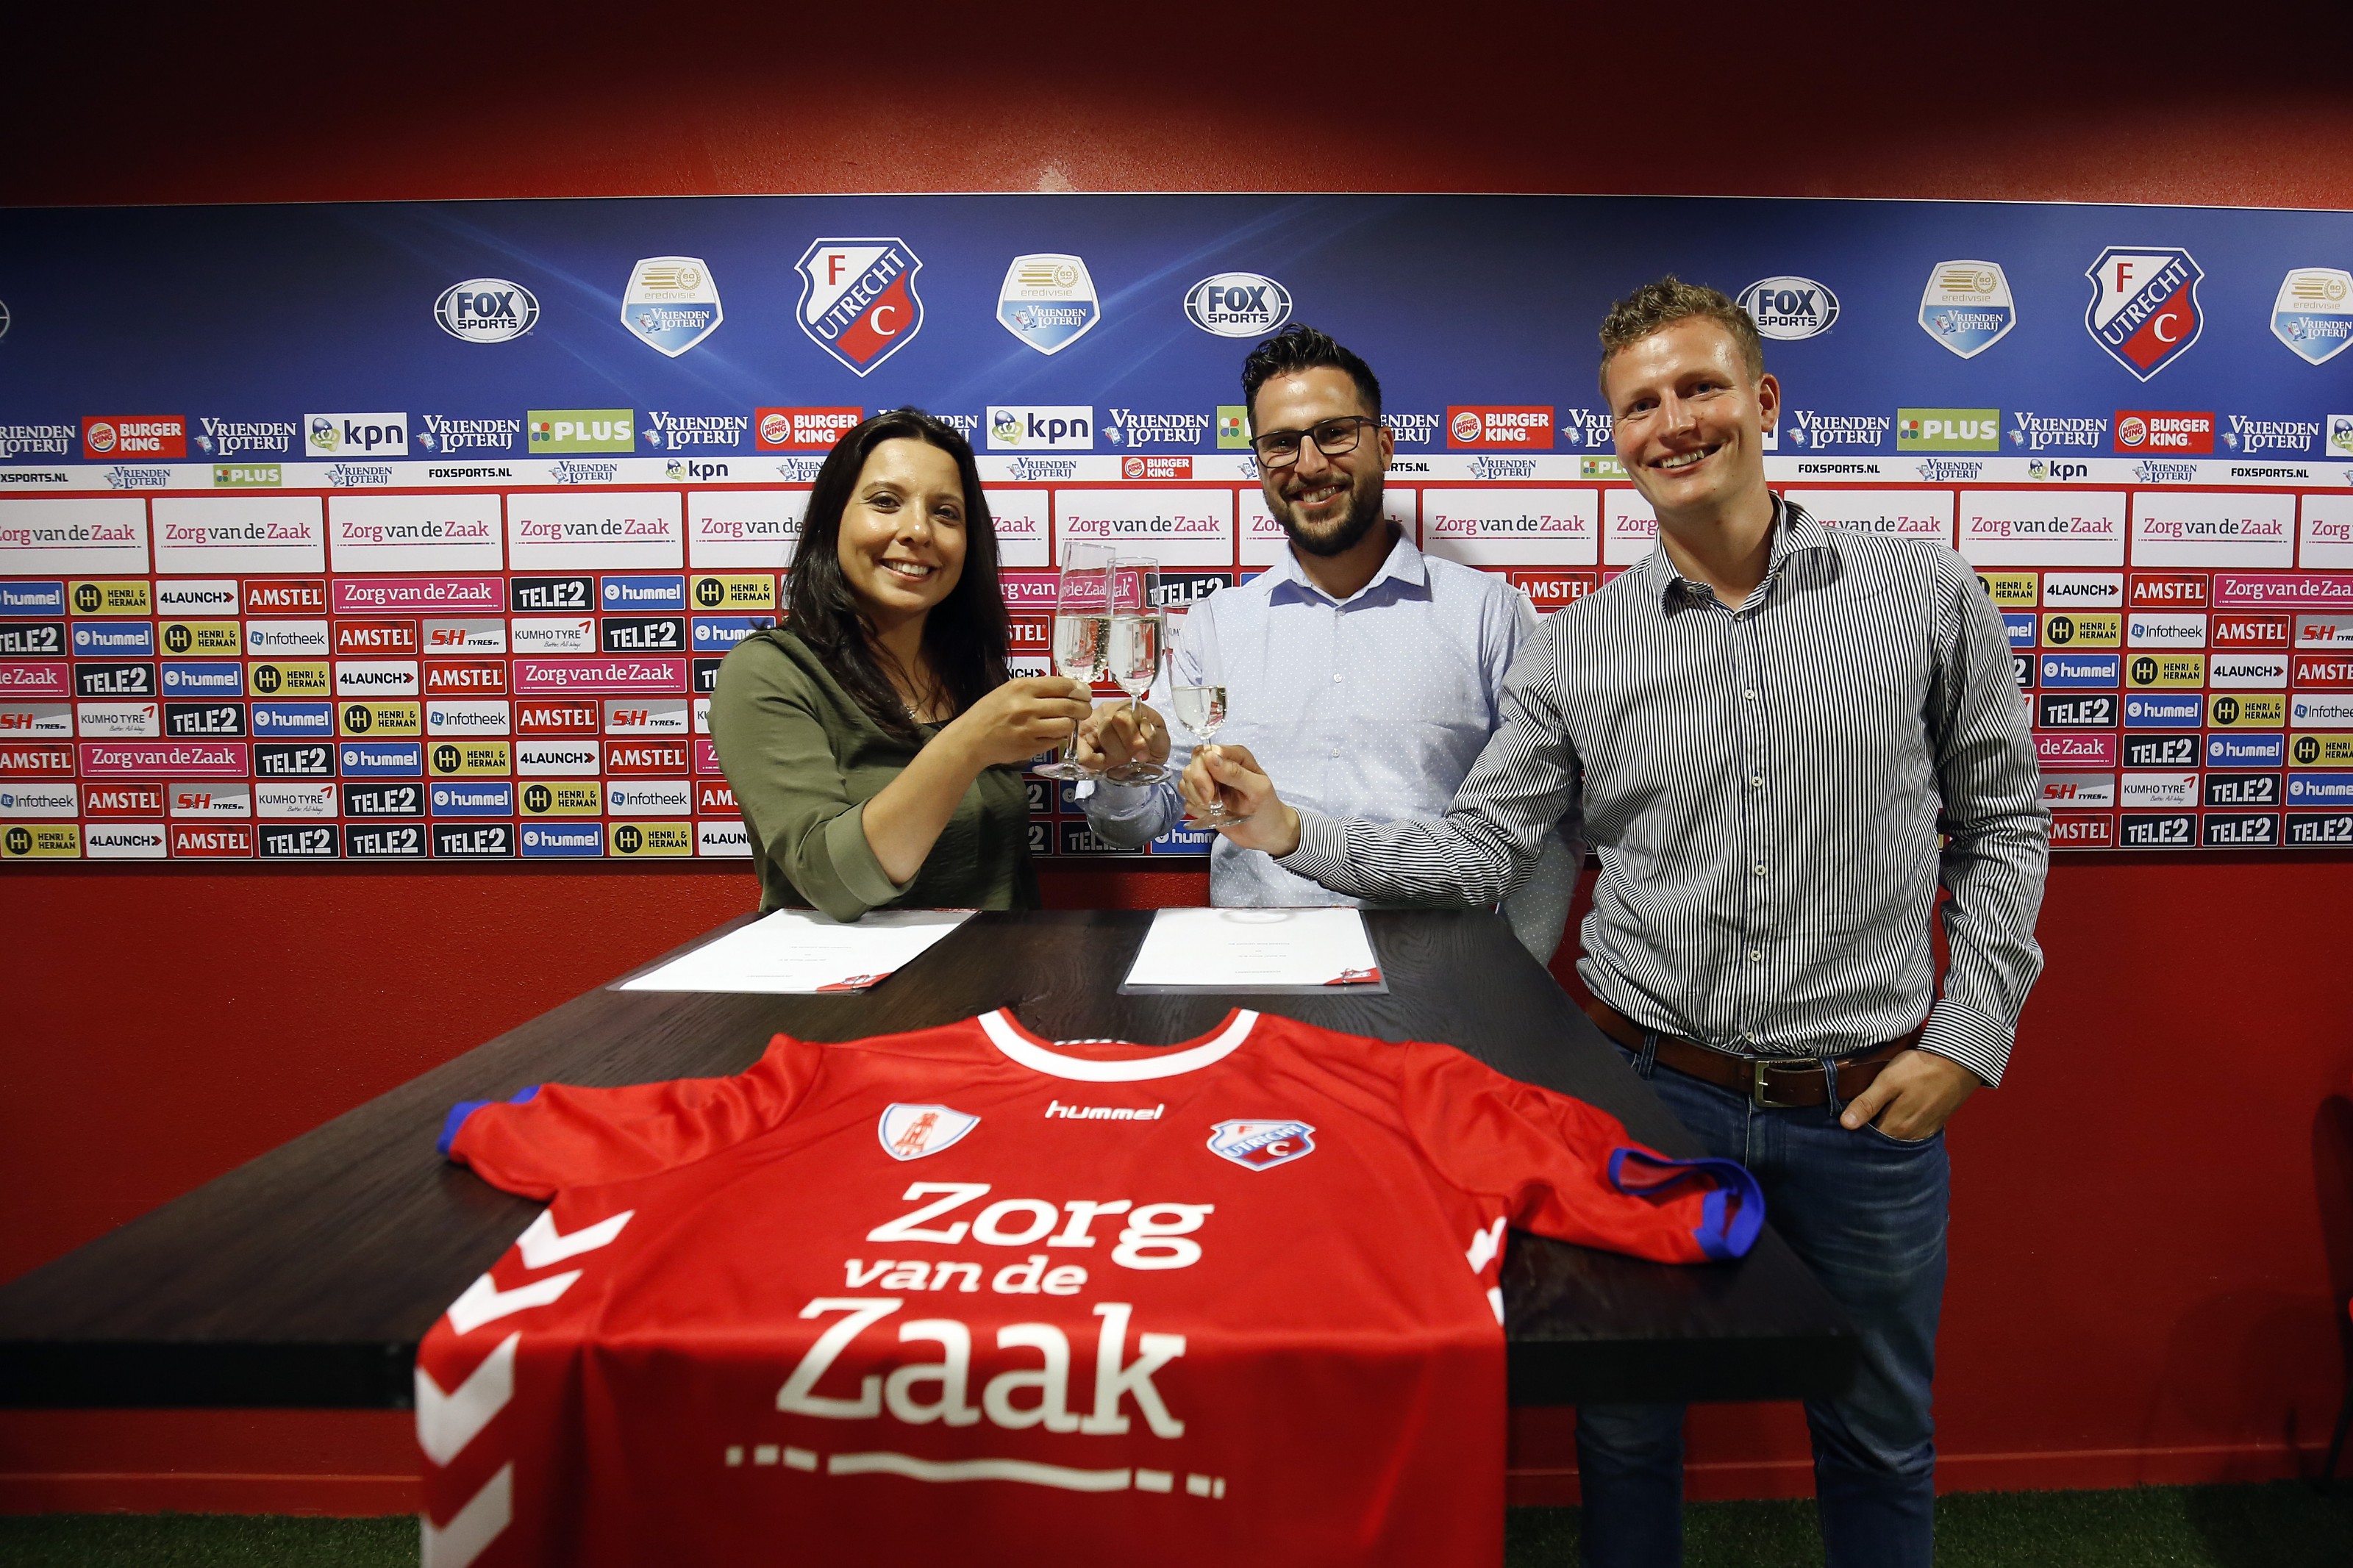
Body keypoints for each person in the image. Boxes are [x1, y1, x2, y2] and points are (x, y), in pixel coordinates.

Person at [1184, 280, 2051, 1567]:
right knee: (1628, 1433)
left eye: (1700, 388)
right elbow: (1481, 848)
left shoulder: (1921, 596)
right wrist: (1290, 828)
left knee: (1877, 1433)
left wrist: (1970, 1033)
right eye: (1642, 403)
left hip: (1867, 1103)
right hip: (1650, 1095)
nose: (1674, 421)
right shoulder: (1574, 648)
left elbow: (2006, 824)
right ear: (1617, 436)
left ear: (1762, 400)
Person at [1076, 324, 1575, 959]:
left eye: (1335, 433)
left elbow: (1548, 828)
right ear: (1259, 464)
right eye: (1281, 444)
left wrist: (1514, 981)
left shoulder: (1489, 615)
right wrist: (1121, 769)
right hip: (1257, 980)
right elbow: (1142, 819)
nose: (1309, 465)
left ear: (1386, 445)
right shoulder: (1215, 624)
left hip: (1440, 985)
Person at [710, 408, 1090, 920]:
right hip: (846, 993)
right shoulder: (769, 672)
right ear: (832, 517)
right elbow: (832, 882)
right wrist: (969, 742)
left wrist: (1092, 745)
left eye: (946, 512)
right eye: (885, 502)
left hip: (996, 985)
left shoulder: (969, 669)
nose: (918, 530)